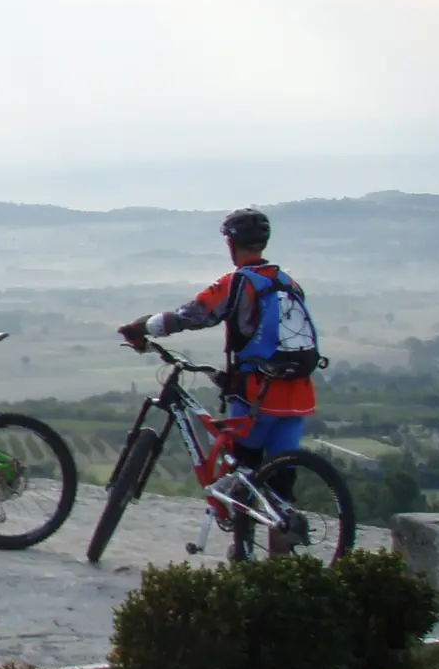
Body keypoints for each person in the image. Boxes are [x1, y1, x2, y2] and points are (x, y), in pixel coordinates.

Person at [118, 207, 320, 558]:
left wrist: (143, 326)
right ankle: (282, 565)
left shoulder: (238, 282)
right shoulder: (289, 282)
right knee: (280, 484)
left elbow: (191, 315)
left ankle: (242, 553)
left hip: (257, 396)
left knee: (243, 474)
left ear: (231, 243)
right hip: (297, 396)